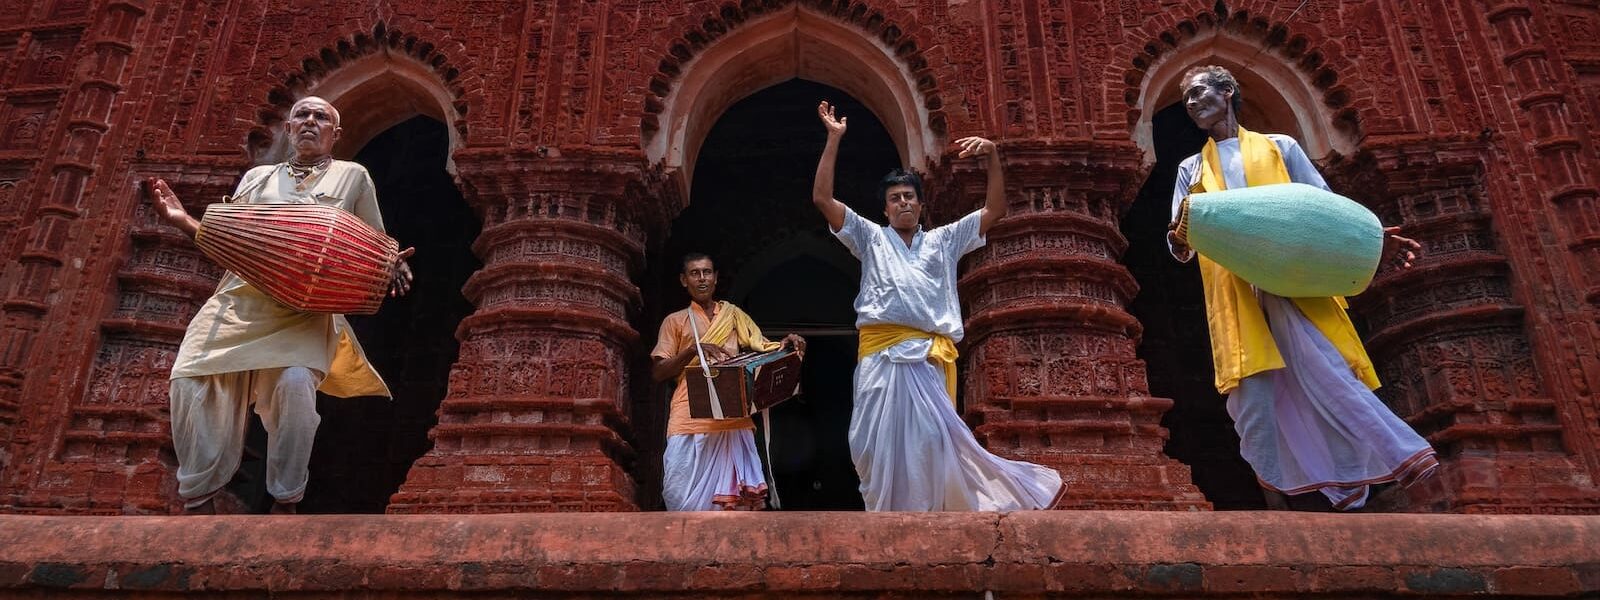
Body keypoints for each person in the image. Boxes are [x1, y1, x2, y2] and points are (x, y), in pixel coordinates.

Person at [1166, 65, 1436, 510]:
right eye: (1186, 99)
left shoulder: (1279, 147)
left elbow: (1323, 208)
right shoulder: (1191, 168)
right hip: (1237, 293)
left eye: (1198, 92)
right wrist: (1181, 234)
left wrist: (1369, 238)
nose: (1192, 103)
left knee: (1330, 374)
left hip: (1294, 282)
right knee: (1252, 403)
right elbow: (1180, 243)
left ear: (1228, 92)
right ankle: (1277, 497)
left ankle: (1394, 465)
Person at [147, 96, 414, 514]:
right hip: (239, 299)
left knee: (294, 386)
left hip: (303, 309)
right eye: (302, 116)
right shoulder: (256, 179)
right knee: (189, 381)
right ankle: (200, 496)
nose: (310, 121)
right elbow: (231, 241)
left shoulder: (352, 177)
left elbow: (375, 244)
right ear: (289, 129)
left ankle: (285, 498)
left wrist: (391, 264)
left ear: (335, 134)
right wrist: (184, 220)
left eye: (321, 117)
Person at [811, 100, 1064, 511]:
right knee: (870, 445)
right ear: (885, 208)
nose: (904, 203)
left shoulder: (944, 239)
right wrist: (833, 139)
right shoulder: (871, 238)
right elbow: (823, 198)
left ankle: (931, 518)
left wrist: (994, 158)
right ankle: (886, 521)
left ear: (922, 204)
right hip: (880, 355)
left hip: (928, 359)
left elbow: (995, 210)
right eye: (895, 198)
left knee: (931, 442)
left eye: (910, 196)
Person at [651, 252, 806, 511]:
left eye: (707, 272)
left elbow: (764, 348)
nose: (702, 278)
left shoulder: (734, 316)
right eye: (694, 273)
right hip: (688, 417)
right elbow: (658, 372)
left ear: (715, 278)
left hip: (731, 416)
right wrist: (693, 350)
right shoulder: (675, 321)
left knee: (735, 505)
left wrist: (788, 345)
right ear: (683, 280)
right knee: (678, 493)